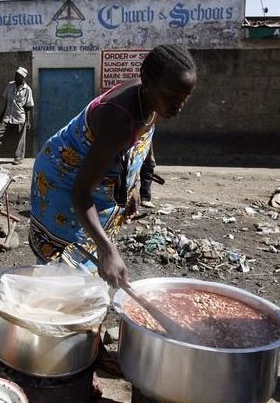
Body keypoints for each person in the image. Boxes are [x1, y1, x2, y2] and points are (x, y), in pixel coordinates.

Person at [29, 44, 197, 287]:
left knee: (86, 265)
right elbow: (81, 193)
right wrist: (106, 249)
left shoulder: (153, 97)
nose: (178, 106)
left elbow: (146, 130)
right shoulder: (118, 121)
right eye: (172, 98)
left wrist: (135, 182)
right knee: (63, 269)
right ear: (146, 82)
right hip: (62, 180)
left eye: (185, 98)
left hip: (91, 176)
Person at [0, 67, 34, 165]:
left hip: (20, 118)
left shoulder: (27, 90)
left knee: (20, 140)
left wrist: (28, 121)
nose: (16, 76)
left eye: (18, 75)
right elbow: (6, 102)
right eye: (15, 74)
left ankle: (18, 159)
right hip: (7, 117)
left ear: (23, 77)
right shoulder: (10, 85)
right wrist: (2, 114)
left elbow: (28, 107)